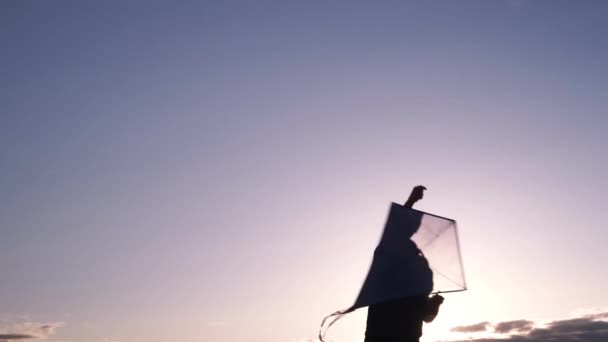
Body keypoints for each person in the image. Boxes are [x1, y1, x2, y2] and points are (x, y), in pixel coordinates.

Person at [364, 186, 444, 342]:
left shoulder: (416, 265)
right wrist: (411, 201)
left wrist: (435, 303)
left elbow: (426, 315)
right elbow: (427, 315)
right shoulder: (411, 264)